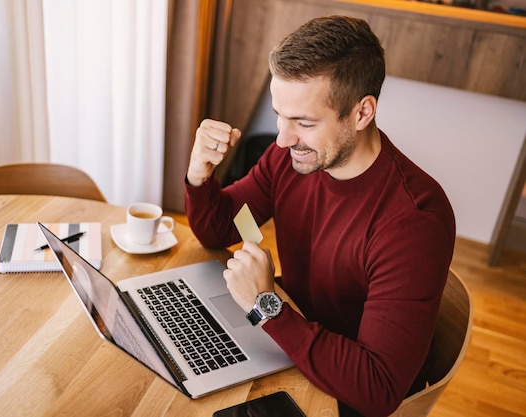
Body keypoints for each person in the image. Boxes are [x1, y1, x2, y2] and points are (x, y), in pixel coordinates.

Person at [184, 15, 456, 417]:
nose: (282, 138)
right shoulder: (289, 158)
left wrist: (266, 303)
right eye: (280, 114)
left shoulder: (413, 222)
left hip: (340, 394)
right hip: (290, 349)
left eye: (304, 122)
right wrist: (199, 173)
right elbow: (220, 227)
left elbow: (376, 389)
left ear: (362, 113)